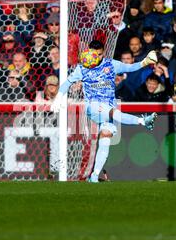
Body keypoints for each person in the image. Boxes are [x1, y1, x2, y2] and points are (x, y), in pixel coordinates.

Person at [51, 40, 158, 183]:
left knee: (105, 139)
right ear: (88, 52)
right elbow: (67, 82)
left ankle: (94, 176)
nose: (96, 57)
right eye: (93, 54)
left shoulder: (111, 64)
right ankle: (143, 121)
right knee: (113, 112)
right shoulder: (82, 68)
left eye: (99, 54)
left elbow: (130, 67)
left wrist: (144, 62)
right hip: (93, 107)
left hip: (108, 107)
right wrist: (58, 98)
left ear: (103, 53)